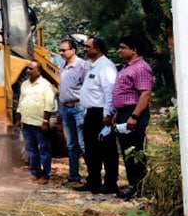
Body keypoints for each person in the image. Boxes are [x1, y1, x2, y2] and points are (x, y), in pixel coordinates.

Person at [111, 34, 154, 200]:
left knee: (135, 151)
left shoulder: (141, 67)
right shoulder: (126, 67)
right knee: (127, 151)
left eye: (123, 47)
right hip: (124, 113)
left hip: (134, 112)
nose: (120, 50)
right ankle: (133, 187)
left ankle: (140, 189)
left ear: (134, 50)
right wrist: (117, 113)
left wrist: (134, 116)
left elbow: (145, 94)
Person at [76, 36, 119, 194]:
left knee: (107, 151)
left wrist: (108, 114)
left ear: (97, 49)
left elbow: (110, 92)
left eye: (88, 46)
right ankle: (93, 181)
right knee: (92, 149)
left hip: (102, 113)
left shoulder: (106, 67)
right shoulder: (93, 66)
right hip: (91, 113)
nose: (85, 49)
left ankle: (110, 184)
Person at [15, 61, 57, 184]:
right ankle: (35, 173)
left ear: (39, 71)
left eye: (31, 69)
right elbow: (21, 103)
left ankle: (46, 175)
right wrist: (19, 119)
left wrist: (45, 121)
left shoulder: (46, 85)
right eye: (27, 69)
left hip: (39, 123)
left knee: (44, 149)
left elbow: (49, 105)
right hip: (27, 122)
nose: (28, 71)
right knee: (31, 149)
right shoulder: (24, 85)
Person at [57, 37, 88, 186]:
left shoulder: (83, 66)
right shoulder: (62, 66)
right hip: (66, 108)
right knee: (71, 145)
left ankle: (93, 176)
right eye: (60, 50)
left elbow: (88, 87)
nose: (61, 52)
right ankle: (74, 176)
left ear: (73, 50)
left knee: (83, 144)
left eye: (64, 50)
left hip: (79, 108)